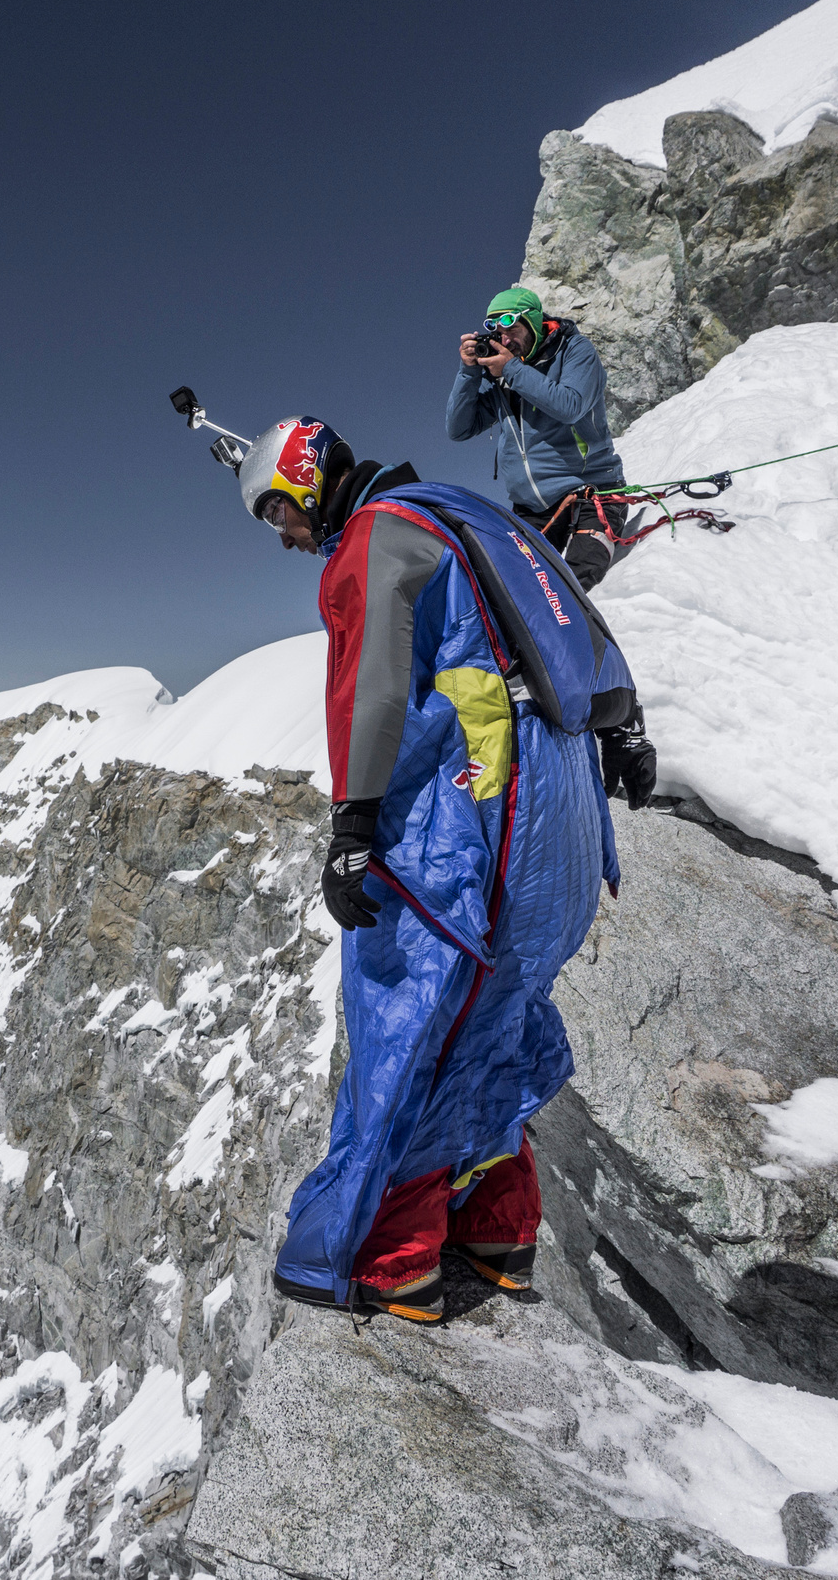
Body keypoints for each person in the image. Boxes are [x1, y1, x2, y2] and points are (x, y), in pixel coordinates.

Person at [235, 414, 634, 1323]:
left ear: (304, 485)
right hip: (565, 812)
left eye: (277, 514)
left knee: (414, 1017)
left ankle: (391, 1251)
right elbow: (577, 621)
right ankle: (498, 1225)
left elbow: (372, 684)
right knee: (498, 1018)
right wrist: (627, 730)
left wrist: (354, 823)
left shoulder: (374, 538)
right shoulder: (465, 515)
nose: (287, 538)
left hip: (490, 817)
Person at [447, 286, 642, 592]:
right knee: (515, 591)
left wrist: (511, 368)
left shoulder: (575, 351)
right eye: (498, 332)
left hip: (593, 493)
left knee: (577, 584)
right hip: (532, 508)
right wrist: (468, 372)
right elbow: (459, 428)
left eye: (512, 329)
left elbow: (570, 406)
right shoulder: (506, 376)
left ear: (533, 323)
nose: (505, 339)